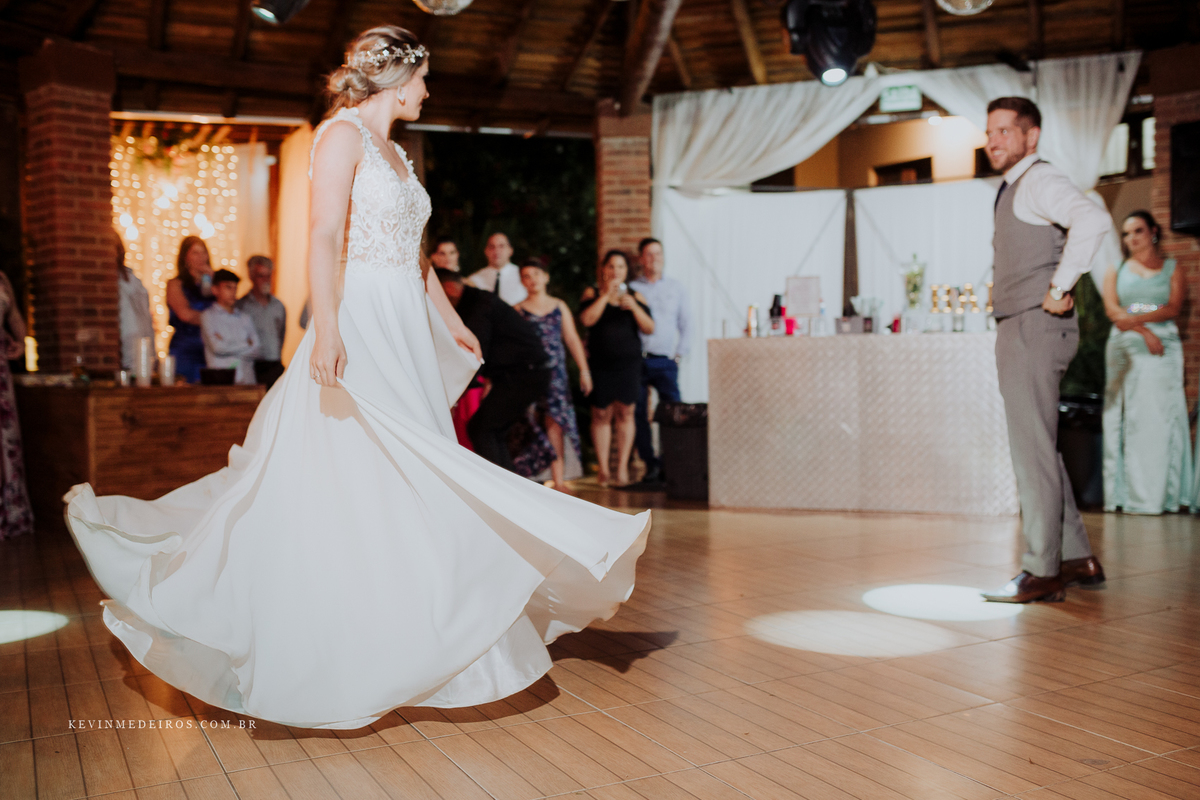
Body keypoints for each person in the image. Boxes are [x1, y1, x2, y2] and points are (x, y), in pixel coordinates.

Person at [63, 25, 648, 730]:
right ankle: (334, 627)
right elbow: (322, 236)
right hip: (364, 316)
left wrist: (450, 321)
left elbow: (418, 257)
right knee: (371, 461)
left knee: (412, 467)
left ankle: (419, 621)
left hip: (406, 321)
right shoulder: (340, 136)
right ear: (397, 79)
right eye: (423, 78)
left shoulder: (398, 152)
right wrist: (330, 327)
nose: (427, 91)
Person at [979, 97, 1111, 604]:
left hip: (1034, 326)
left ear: (1031, 136)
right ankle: (1075, 558)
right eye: (989, 132)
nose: (993, 141)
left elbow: (1091, 219)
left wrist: (1059, 286)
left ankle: (1042, 569)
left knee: (1031, 450)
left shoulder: (1038, 179)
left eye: (1004, 131)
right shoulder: (1015, 185)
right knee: (1040, 448)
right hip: (1023, 325)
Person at [1101, 211, 1191, 514]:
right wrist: (1143, 330)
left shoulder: (1172, 269)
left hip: (1164, 343)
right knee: (1125, 414)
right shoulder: (1116, 269)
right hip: (1125, 343)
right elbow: (1113, 311)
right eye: (1126, 234)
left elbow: (1173, 307)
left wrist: (1137, 318)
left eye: (1137, 231)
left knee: (1159, 415)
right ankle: (1124, 494)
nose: (1131, 239)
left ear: (1153, 231)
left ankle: (1161, 493)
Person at [436, 268, 552, 473]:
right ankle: (509, 485)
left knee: (482, 429)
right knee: (490, 430)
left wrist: (450, 395)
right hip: (524, 373)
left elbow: (475, 352)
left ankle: (500, 486)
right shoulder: (477, 302)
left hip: (526, 373)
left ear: (449, 288)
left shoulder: (478, 305)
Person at [515, 257, 592, 491]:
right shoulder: (517, 310)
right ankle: (529, 477)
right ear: (522, 281)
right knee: (529, 422)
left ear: (546, 277)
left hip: (556, 375)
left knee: (556, 422)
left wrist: (584, 370)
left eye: (536, 274)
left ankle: (558, 479)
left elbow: (571, 338)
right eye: (527, 276)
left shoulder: (559, 306)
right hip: (528, 374)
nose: (532, 280)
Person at [579, 250, 654, 487]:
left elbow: (649, 328)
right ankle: (603, 470)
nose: (615, 271)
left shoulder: (635, 295)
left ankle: (621, 468)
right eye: (611, 266)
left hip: (628, 365)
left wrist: (634, 307)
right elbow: (586, 320)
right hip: (600, 364)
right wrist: (605, 296)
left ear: (626, 271)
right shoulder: (592, 293)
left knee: (626, 413)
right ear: (603, 269)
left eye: (620, 267)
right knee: (601, 414)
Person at [626, 237, 691, 489]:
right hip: (637, 360)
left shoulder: (676, 287)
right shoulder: (632, 288)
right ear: (642, 259)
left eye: (658, 254)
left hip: (665, 361)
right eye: (649, 254)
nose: (654, 259)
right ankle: (650, 464)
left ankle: (672, 462)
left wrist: (679, 355)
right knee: (638, 414)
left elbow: (687, 323)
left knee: (673, 412)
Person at [0, 269, 33, 540]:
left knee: (6, 440)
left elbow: (14, 317)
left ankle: (11, 513)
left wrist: (20, 341)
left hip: (1, 372)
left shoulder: (1, 278)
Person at [166, 236, 215, 383]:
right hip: (186, 348)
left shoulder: (213, 284)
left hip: (211, 347)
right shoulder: (175, 284)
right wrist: (216, 319)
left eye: (203, 252)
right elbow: (185, 314)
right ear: (185, 257)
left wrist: (214, 280)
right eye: (195, 253)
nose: (201, 257)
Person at [235, 255, 287, 388]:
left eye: (268, 276)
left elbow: (281, 334)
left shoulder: (278, 306)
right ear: (251, 276)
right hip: (250, 366)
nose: (266, 280)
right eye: (261, 276)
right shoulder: (241, 306)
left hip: (274, 365)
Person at [201, 270, 261, 386]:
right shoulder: (208, 316)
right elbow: (217, 347)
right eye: (228, 287)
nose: (233, 292)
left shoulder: (245, 318)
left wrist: (227, 345)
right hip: (221, 383)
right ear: (215, 289)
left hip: (247, 382)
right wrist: (246, 344)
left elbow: (257, 349)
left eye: (235, 288)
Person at [116, 232, 155, 373]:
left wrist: (152, 351)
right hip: (127, 343)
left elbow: (145, 318)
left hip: (140, 343)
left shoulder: (133, 281)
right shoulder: (119, 282)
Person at [466, 232, 527, 305]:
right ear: (486, 251)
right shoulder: (474, 280)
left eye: (501, 246)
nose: (496, 251)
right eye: (492, 247)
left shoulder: (524, 276)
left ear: (510, 250)